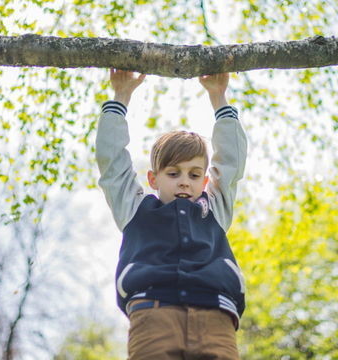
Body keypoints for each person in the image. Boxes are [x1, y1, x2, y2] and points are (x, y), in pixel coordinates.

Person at [95, 68, 247, 359]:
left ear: (205, 181)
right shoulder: (135, 209)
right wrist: (121, 96)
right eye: (174, 173)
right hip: (153, 313)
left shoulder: (213, 209)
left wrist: (219, 97)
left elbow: (231, 161)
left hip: (216, 315)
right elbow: (111, 160)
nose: (184, 182)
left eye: (194, 174)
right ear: (153, 179)